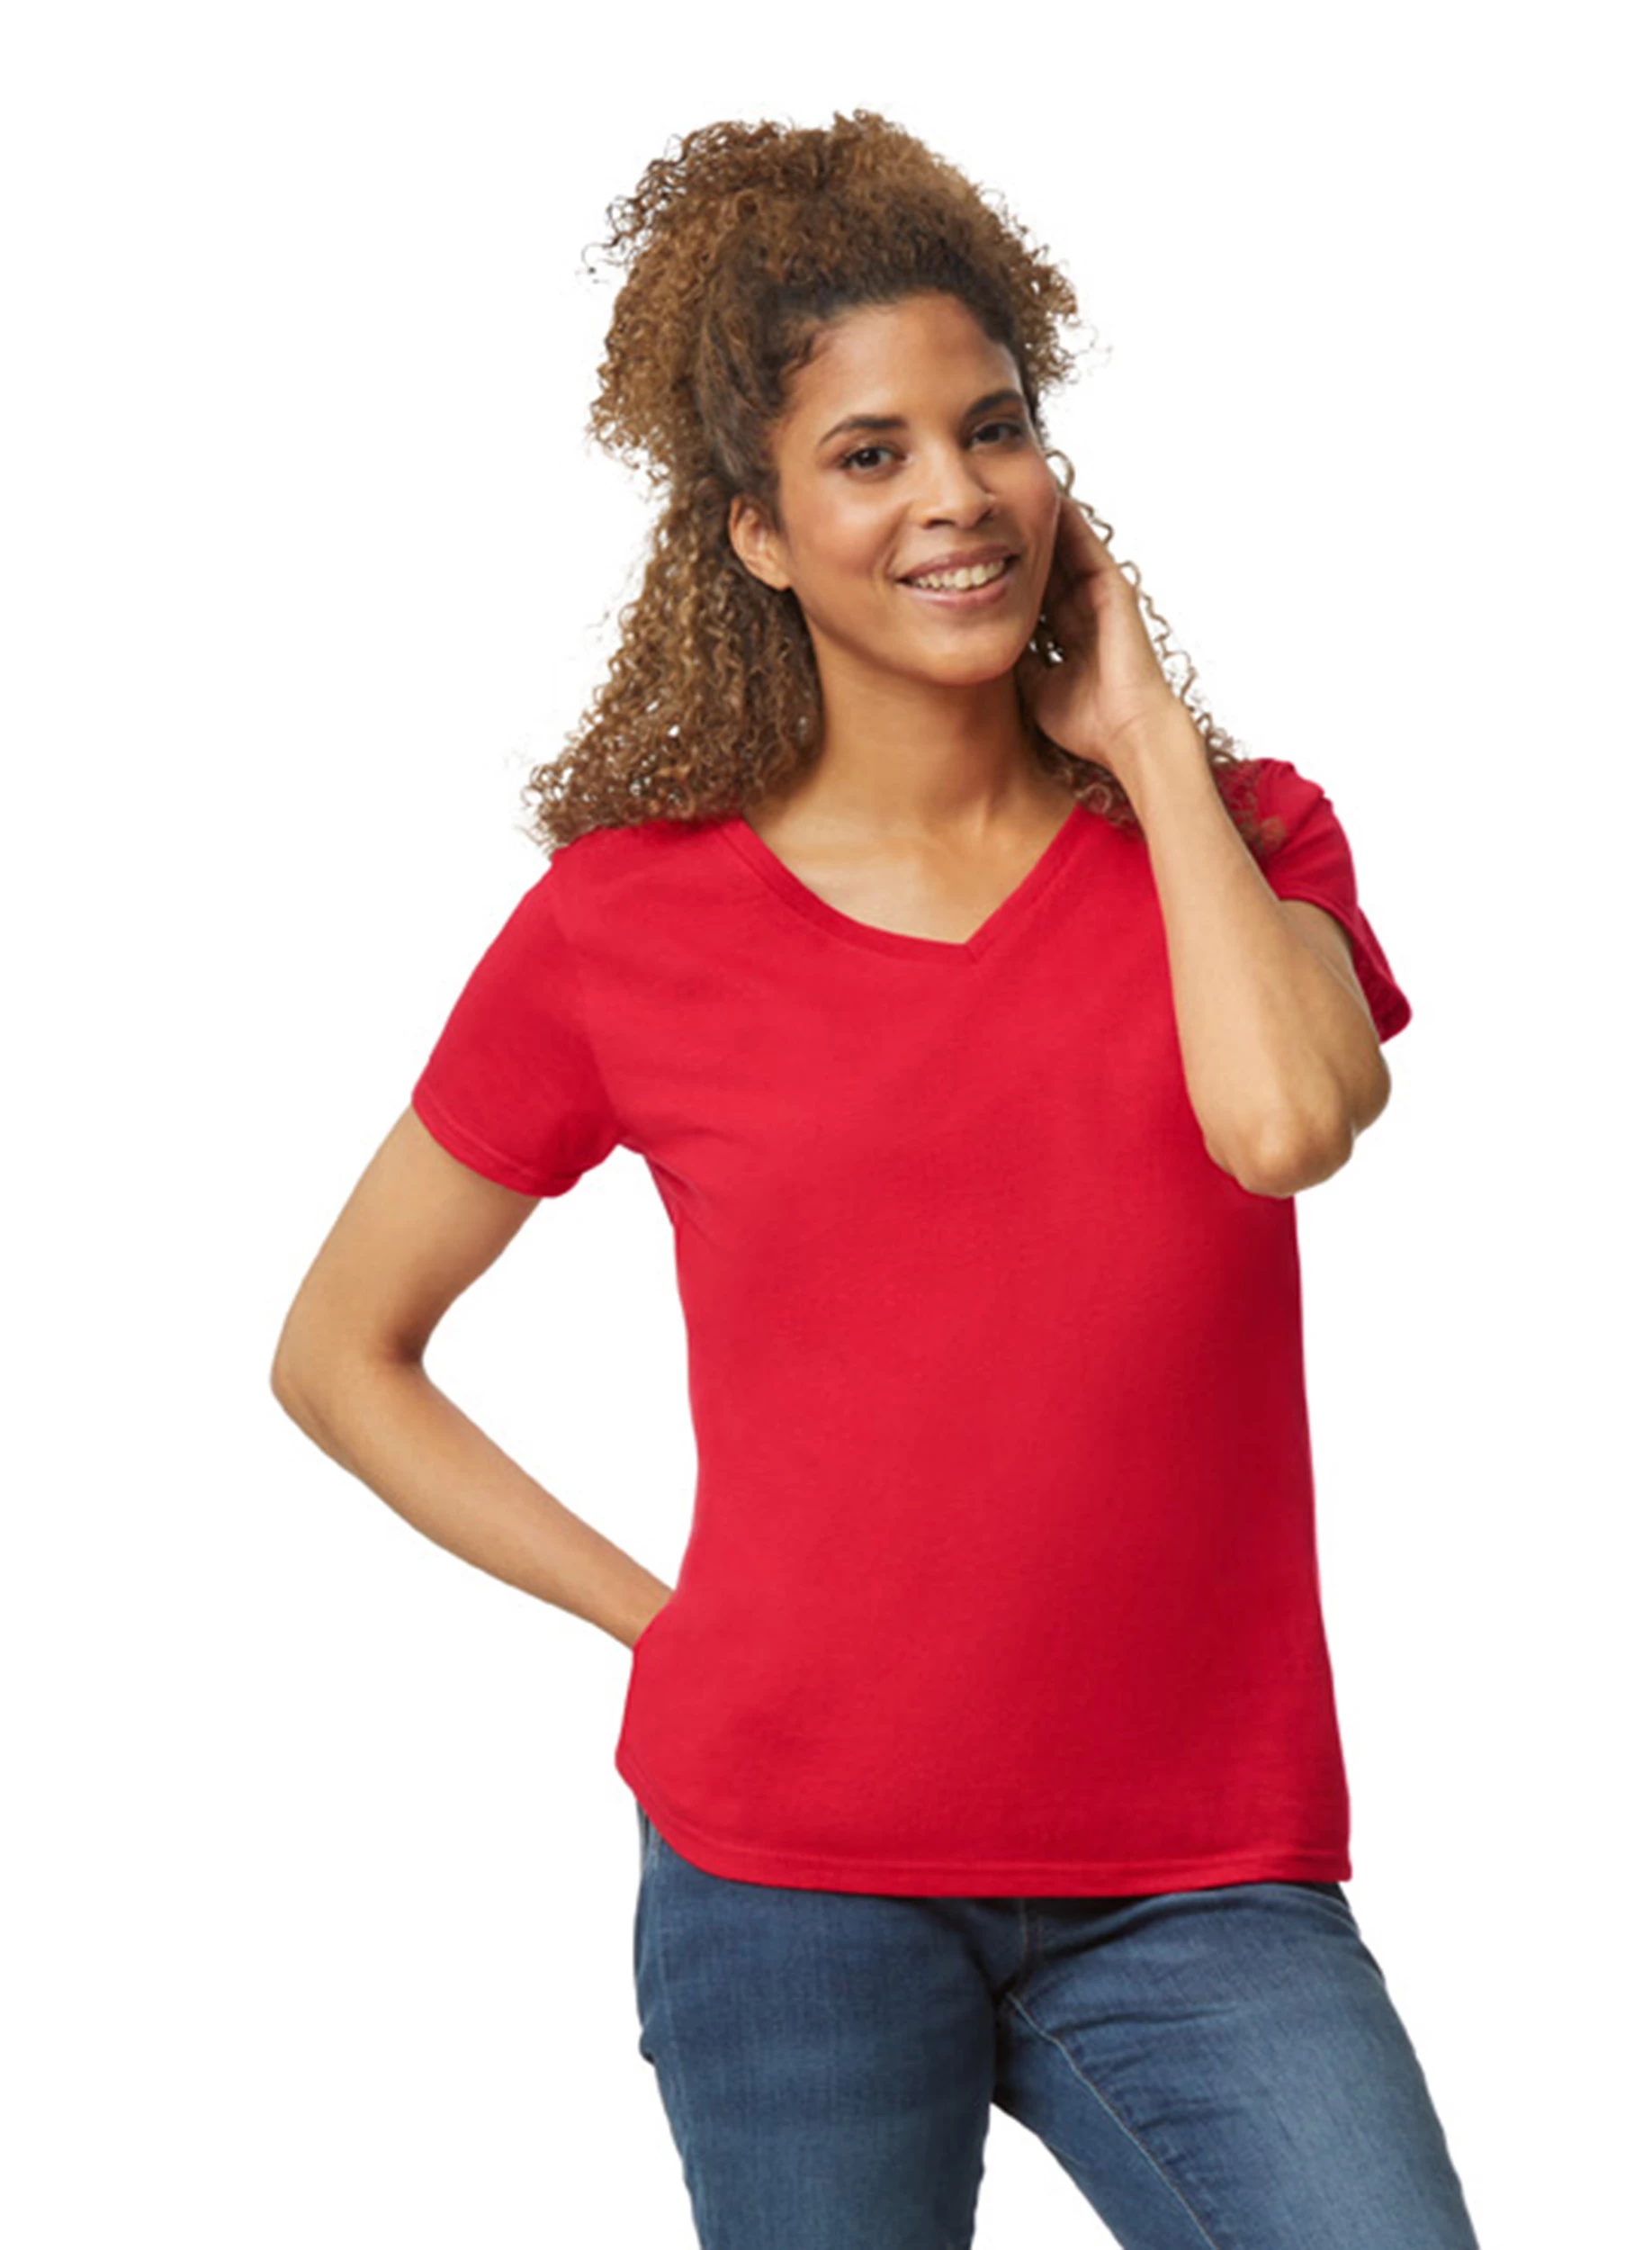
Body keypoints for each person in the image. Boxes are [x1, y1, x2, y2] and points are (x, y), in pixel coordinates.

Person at [272, 109, 1482, 2250]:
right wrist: (665, 1624)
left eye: (992, 428)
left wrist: (1151, 749)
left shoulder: (1239, 840)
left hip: (1194, 1872)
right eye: (869, 452)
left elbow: (1289, 1123)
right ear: (755, 529)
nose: (953, 494)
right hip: (787, 1880)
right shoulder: (624, 925)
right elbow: (341, 1350)